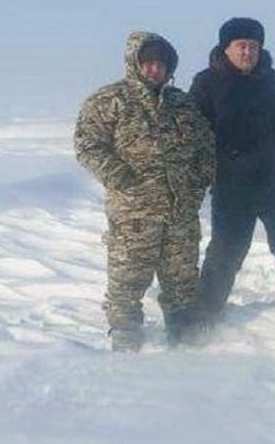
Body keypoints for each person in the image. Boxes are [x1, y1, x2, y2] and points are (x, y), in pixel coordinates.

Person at [74, 31, 216, 351]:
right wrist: (122, 178)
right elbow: (87, 145)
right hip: (134, 217)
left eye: (161, 64)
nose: (154, 70)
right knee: (126, 285)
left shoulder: (183, 104)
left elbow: (206, 147)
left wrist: (197, 185)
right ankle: (126, 350)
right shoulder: (108, 101)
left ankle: (184, 348)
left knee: (182, 284)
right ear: (135, 64)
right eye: (148, 63)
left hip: (181, 216)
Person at [190, 17, 275, 322]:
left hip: (274, 178)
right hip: (232, 182)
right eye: (241, 46)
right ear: (226, 48)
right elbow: (193, 128)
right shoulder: (206, 82)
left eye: (254, 46)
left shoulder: (270, 79)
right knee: (227, 250)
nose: (248, 52)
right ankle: (205, 312)